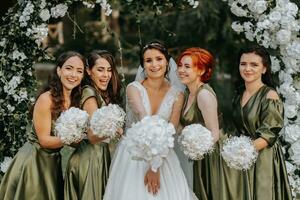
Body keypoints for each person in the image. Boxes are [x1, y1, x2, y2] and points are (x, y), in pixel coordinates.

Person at [103, 41, 197, 200]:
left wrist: (155, 166)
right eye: (148, 60)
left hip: (164, 154)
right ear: (143, 65)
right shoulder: (134, 88)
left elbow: (171, 129)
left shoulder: (178, 95)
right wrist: (151, 165)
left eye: (159, 59)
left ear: (167, 61)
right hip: (134, 155)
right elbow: (142, 117)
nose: (154, 65)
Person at [0, 51, 85, 200]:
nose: (73, 74)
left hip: (52, 163)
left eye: (79, 71)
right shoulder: (47, 99)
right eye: (69, 68)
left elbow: (70, 141)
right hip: (33, 162)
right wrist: (72, 137)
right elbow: (44, 140)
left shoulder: (75, 101)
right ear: (59, 70)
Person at [227, 46, 292, 200]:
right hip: (243, 157)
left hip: (263, 158)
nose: (247, 68)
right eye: (243, 64)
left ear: (264, 69)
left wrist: (240, 152)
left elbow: (268, 135)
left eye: (254, 65)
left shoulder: (270, 96)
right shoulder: (239, 95)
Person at [64, 50, 123, 200]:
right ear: (89, 71)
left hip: (99, 156)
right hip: (89, 160)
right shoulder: (89, 93)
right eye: (100, 70)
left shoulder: (101, 93)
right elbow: (92, 135)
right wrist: (115, 129)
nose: (106, 75)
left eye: (109, 70)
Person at [177, 47, 224, 200]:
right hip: (195, 154)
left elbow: (214, 133)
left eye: (187, 66)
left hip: (209, 156)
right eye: (180, 65)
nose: (181, 70)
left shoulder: (204, 94)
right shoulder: (187, 92)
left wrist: (196, 147)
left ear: (201, 70)